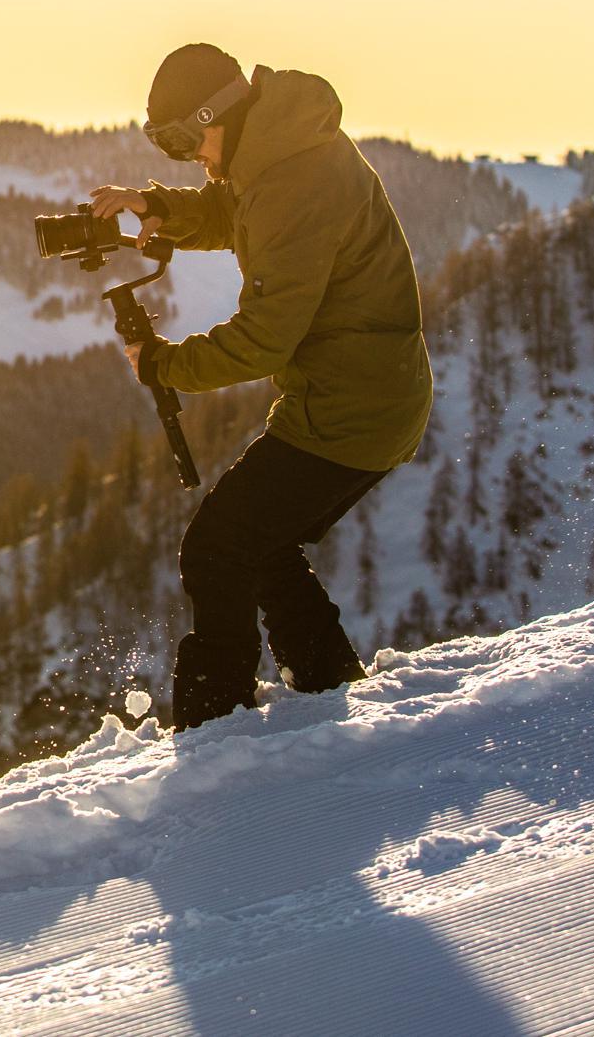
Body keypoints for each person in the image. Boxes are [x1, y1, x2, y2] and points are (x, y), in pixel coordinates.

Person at [89, 44, 434, 730]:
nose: (190, 158)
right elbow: (230, 212)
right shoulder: (276, 151)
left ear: (220, 113)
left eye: (188, 139)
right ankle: (327, 687)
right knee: (262, 542)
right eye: (170, 147)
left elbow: (263, 338)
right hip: (363, 399)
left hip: (351, 412)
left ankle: (216, 730)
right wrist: (153, 205)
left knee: (215, 546)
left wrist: (163, 364)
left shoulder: (295, 183)